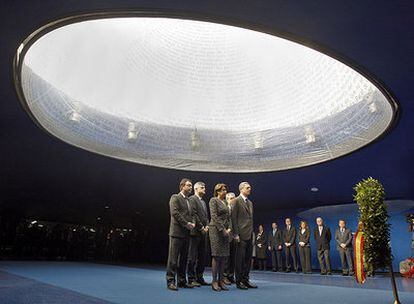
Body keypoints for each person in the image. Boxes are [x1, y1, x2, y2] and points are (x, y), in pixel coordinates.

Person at [166, 178, 196, 291]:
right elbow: (175, 213)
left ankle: (182, 281)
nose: (190, 187)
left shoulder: (189, 200)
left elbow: (193, 214)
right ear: (182, 186)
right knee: (173, 259)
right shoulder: (175, 197)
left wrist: (193, 223)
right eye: (188, 185)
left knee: (183, 259)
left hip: (187, 233)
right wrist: (186, 223)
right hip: (176, 233)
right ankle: (170, 281)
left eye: (191, 185)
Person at [232, 182, 257, 290]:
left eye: (250, 187)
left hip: (249, 234)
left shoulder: (250, 203)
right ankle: (239, 281)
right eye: (247, 188)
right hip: (240, 235)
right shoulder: (236, 201)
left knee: (248, 259)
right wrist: (236, 234)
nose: (249, 189)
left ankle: (246, 280)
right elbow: (233, 219)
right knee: (240, 260)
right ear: (241, 189)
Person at [209, 183, 232, 292]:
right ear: (217, 191)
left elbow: (228, 218)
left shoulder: (225, 202)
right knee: (217, 256)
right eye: (222, 190)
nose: (225, 191)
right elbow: (214, 216)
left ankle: (221, 281)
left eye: (225, 189)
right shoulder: (213, 200)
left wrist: (228, 229)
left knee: (224, 256)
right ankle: (214, 281)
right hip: (216, 230)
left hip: (225, 232)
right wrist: (222, 229)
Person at [187, 181, 210, 287]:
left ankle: (199, 277)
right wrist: (201, 227)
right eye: (202, 187)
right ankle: (191, 279)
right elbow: (194, 214)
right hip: (195, 233)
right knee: (192, 257)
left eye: (204, 187)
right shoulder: (192, 199)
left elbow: (206, 218)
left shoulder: (204, 202)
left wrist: (207, 226)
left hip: (204, 233)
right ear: (196, 189)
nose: (204, 188)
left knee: (202, 256)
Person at [223, 192, 237, 284]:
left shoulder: (236, 210)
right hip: (226, 236)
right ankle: (224, 277)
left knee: (233, 258)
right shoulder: (224, 209)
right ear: (227, 199)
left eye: (234, 198)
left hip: (234, 237)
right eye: (231, 198)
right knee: (226, 258)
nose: (233, 200)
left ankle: (231, 276)